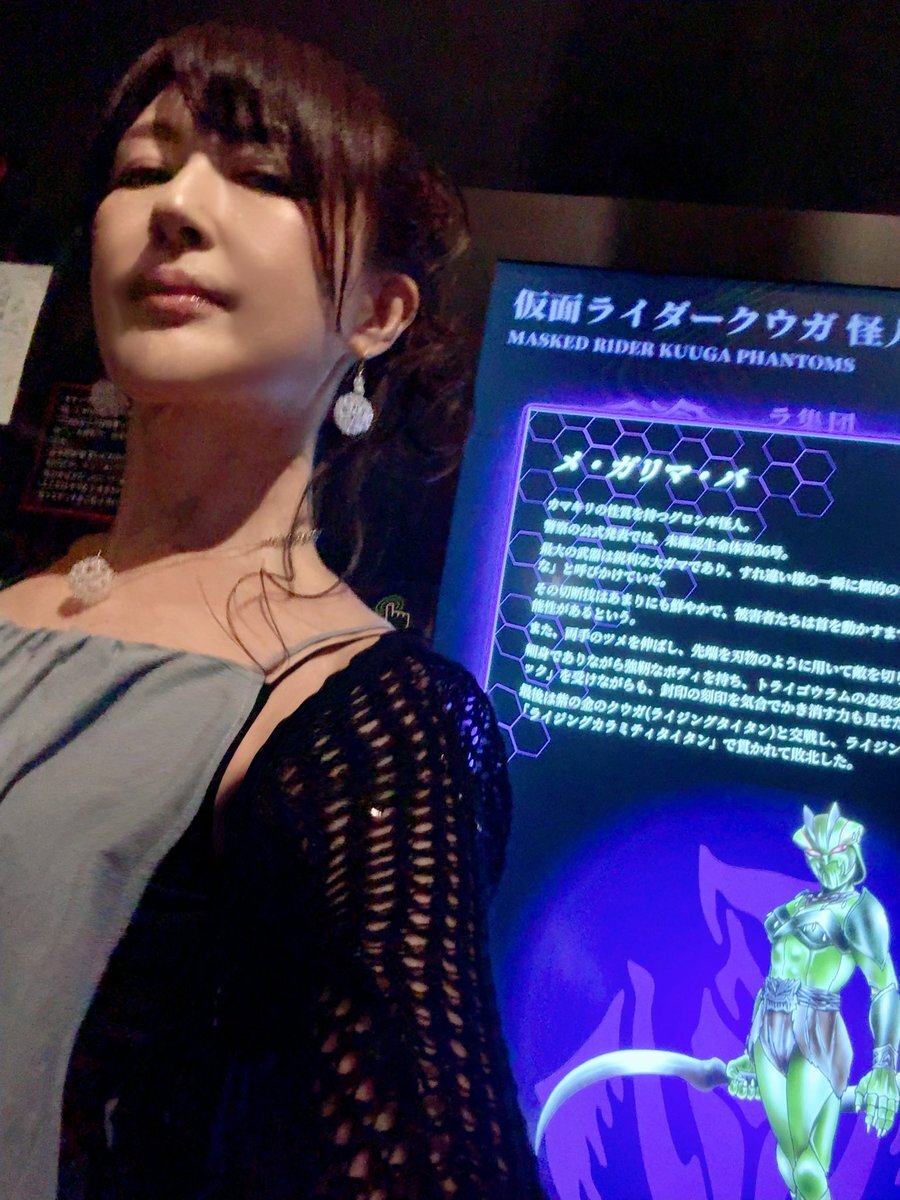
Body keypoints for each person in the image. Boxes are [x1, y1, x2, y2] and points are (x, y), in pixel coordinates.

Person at [0, 23, 544, 1200]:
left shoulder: (373, 721)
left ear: (379, 312)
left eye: (260, 176)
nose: (176, 209)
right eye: (142, 170)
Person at [726, 803, 899, 1200]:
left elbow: (885, 987)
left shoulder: (860, 910)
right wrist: (749, 1054)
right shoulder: (799, 903)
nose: (826, 867)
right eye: (816, 858)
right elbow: (773, 978)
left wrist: (885, 1067)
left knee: (802, 1164)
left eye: (834, 856)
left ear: (851, 853)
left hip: (818, 1031)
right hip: (769, 1031)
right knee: (791, 1161)